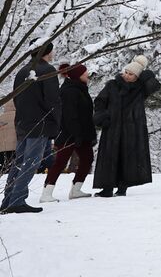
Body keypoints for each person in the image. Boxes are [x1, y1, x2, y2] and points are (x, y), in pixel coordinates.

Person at [2, 43, 61, 214]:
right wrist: (56, 122)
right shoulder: (48, 71)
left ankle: (8, 199)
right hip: (39, 123)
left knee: (20, 162)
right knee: (31, 162)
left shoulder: (22, 71)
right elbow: (53, 100)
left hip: (22, 123)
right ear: (47, 52)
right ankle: (17, 200)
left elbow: (16, 98)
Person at [92, 54, 155, 198]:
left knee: (128, 157)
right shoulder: (112, 85)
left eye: (131, 74)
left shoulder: (140, 89)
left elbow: (154, 86)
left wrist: (146, 74)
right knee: (109, 157)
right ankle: (106, 188)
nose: (127, 75)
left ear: (137, 77)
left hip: (131, 129)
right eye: (126, 72)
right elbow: (100, 101)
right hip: (112, 127)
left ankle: (122, 187)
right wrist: (102, 116)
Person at [40, 63, 96, 201]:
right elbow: (69, 115)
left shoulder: (80, 88)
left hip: (82, 133)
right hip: (70, 134)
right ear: (78, 75)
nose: (87, 74)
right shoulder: (69, 91)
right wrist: (76, 134)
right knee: (60, 162)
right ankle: (46, 193)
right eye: (84, 73)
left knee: (87, 159)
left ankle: (76, 190)